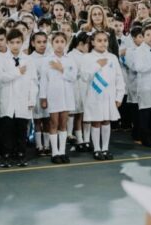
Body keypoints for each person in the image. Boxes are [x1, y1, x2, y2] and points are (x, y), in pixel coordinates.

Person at [0, 29, 37, 168]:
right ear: (7, 43)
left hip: (23, 100)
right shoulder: (1, 59)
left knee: (21, 129)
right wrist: (17, 72)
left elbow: (33, 82)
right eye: (12, 42)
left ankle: (21, 155)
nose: (15, 45)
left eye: (18, 42)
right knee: (7, 130)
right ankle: (6, 155)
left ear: (22, 43)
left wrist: (31, 100)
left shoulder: (29, 60)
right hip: (7, 100)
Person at [80, 30, 125, 160]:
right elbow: (84, 77)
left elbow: (119, 78)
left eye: (105, 40)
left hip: (109, 96)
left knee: (106, 121)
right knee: (96, 121)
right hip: (94, 95)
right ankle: (97, 149)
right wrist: (97, 65)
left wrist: (119, 96)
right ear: (93, 42)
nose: (103, 43)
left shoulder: (112, 57)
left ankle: (105, 148)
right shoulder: (87, 58)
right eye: (99, 40)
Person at [39, 32, 78, 164]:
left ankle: (62, 151)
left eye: (62, 41)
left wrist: (62, 69)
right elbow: (44, 80)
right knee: (53, 123)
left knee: (63, 123)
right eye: (57, 42)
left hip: (67, 95)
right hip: (53, 95)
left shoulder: (70, 59)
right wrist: (43, 97)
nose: (59, 44)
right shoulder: (47, 60)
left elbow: (73, 77)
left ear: (65, 43)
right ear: (52, 43)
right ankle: (54, 152)